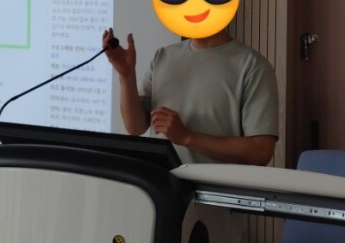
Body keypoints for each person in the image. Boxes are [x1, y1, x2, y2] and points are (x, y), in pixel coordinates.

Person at [102, 26, 279, 165]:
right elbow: (135, 127)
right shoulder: (163, 56)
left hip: (215, 196)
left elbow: (261, 151)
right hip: (160, 189)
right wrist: (126, 76)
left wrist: (187, 137)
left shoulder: (253, 66)